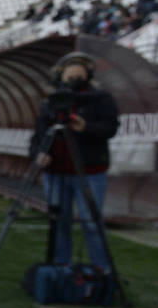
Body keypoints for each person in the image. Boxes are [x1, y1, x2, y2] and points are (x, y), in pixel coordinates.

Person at [28, 52, 119, 270]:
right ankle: (61, 268)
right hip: (56, 172)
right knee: (59, 222)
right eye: (70, 77)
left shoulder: (101, 99)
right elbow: (38, 136)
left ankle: (102, 271)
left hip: (89, 172)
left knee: (91, 223)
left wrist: (86, 127)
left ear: (88, 75)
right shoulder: (50, 102)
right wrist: (38, 155)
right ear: (61, 77)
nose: (74, 81)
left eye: (78, 76)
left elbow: (110, 128)